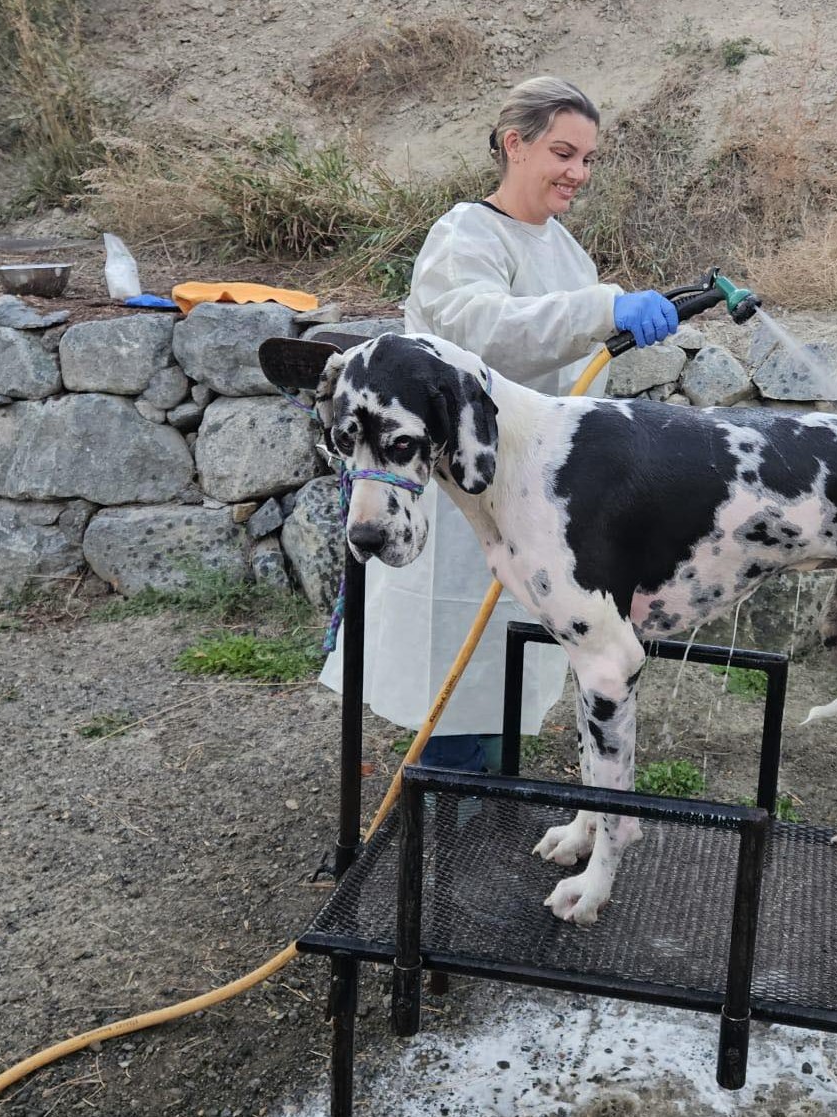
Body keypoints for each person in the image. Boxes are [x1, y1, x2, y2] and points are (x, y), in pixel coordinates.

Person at [319, 76, 680, 771]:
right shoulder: (464, 236)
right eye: (564, 152)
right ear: (515, 144)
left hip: (535, 510)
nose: (578, 173)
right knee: (457, 671)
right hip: (465, 501)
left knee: (507, 676)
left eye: (588, 159)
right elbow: (484, 332)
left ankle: (485, 804)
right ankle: (447, 830)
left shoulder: (566, 252)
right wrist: (605, 308)